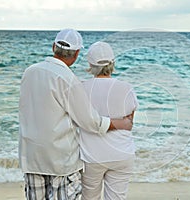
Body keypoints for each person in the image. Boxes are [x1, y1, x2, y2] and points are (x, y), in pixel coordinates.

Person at [18, 29, 133, 200]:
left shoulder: (29, 72)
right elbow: (90, 122)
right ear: (77, 54)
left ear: (53, 47)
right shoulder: (68, 79)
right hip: (60, 161)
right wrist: (119, 124)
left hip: (31, 157)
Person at [79, 41, 139, 200]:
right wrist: (117, 122)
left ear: (90, 64)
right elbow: (129, 123)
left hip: (91, 156)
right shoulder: (126, 88)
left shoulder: (81, 88)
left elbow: (80, 121)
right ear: (112, 63)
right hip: (122, 153)